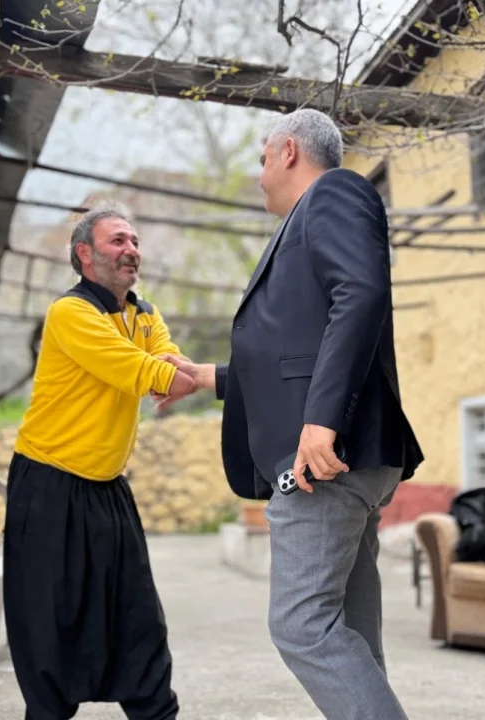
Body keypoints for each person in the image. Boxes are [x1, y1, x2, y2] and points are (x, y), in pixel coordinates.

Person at [162, 109, 424, 719]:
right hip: (344, 450)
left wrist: (321, 421)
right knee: (347, 631)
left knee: (302, 625)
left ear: (287, 151)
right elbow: (292, 359)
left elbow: (360, 294)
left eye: (261, 160)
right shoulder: (307, 222)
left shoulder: (334, 192)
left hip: (323, 456)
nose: (259, 176)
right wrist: (207, 377)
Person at [3, 204, 193, 720]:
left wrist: (174, 372)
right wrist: (176, 376)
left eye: (134, 241)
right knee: (50, 624)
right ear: (84, 253)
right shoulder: (71, 313)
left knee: (138, 617)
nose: (131, 249)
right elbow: (136, 368)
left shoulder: (144, 313)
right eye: (118, 241)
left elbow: (168, 358)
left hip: (108, 485)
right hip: (48, 484)